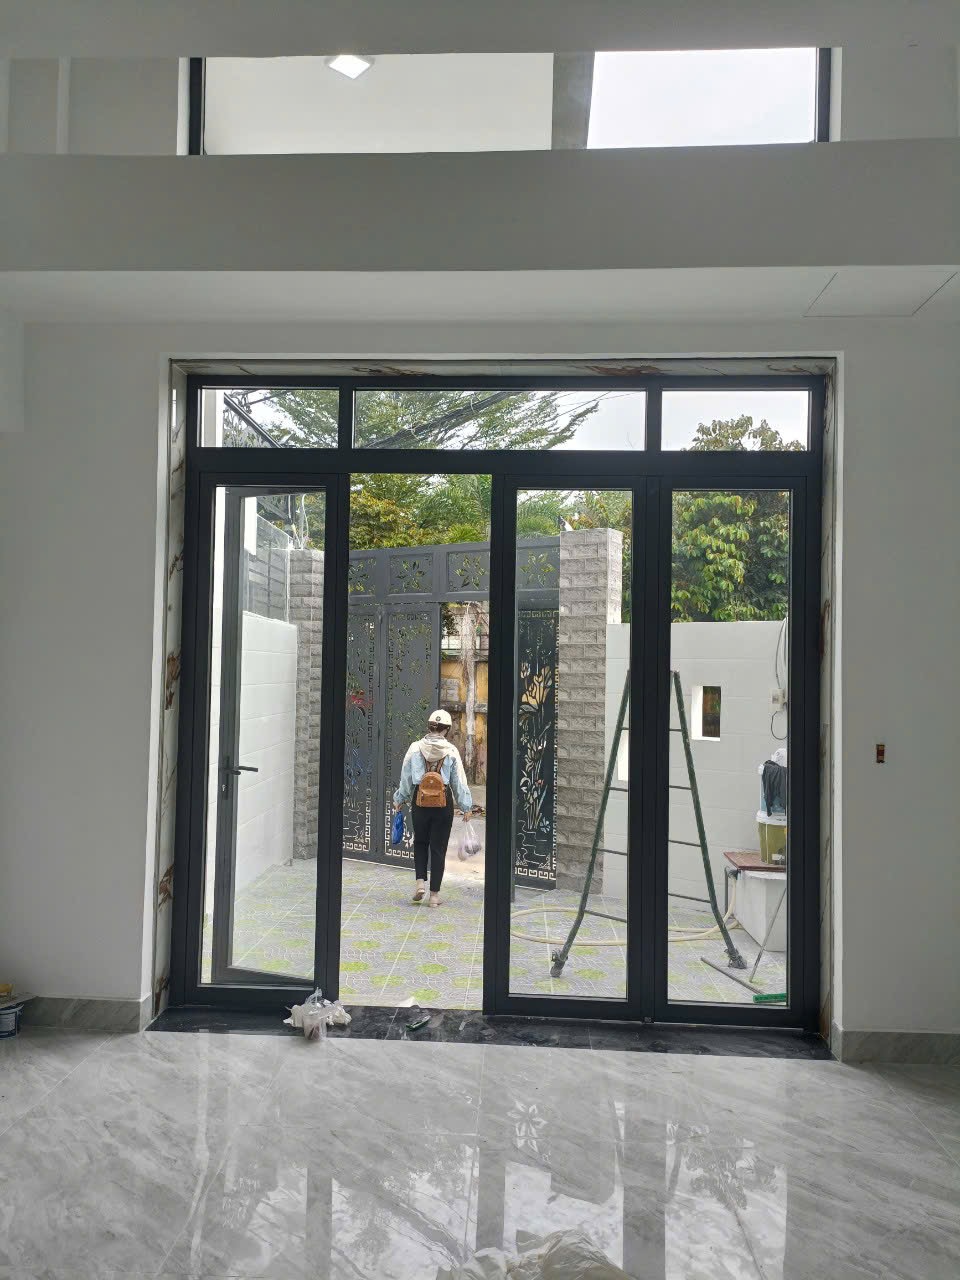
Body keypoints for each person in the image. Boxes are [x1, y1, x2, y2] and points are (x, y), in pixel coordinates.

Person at [393, 709, 473, 908]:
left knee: (420, 842)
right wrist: (466, 806)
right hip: (442, 803)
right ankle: (434, 896)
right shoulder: (451, 751)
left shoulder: (415, 748)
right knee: (438, 848)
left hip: (420, 802)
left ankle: (420, 883)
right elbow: (459, 782)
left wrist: (400, 798)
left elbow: (406, 778)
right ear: (446, 729)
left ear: (429, 726)